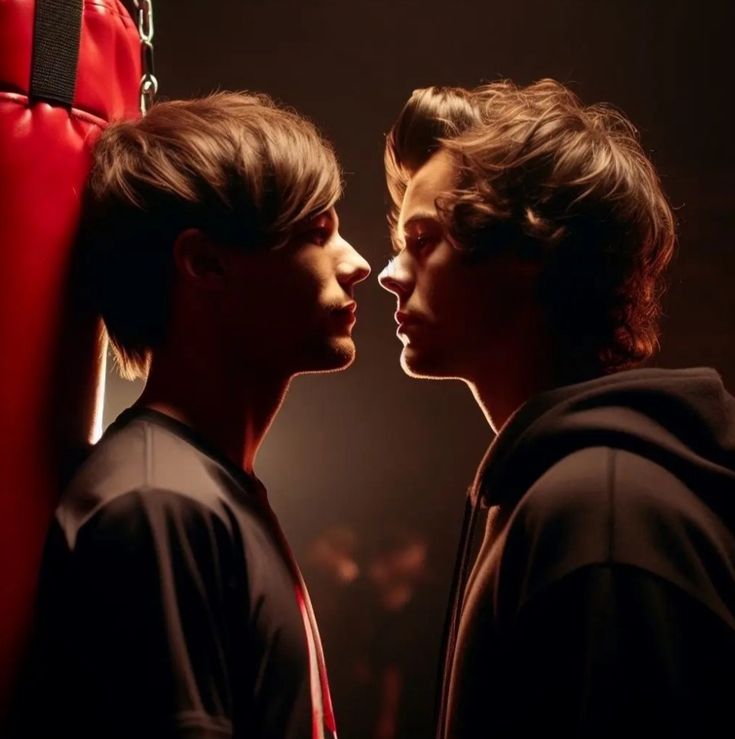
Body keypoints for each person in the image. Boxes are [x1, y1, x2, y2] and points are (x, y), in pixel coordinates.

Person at [379, 79, 735, 738]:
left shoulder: (599, 511)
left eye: (422, 240)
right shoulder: (555, 492)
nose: (388, 272)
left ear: (525, 251)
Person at [16, 92, 370, 739]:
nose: (356, 263)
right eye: (315, 234)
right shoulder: (159, 505)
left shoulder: (200, 489)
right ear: (205, 263)